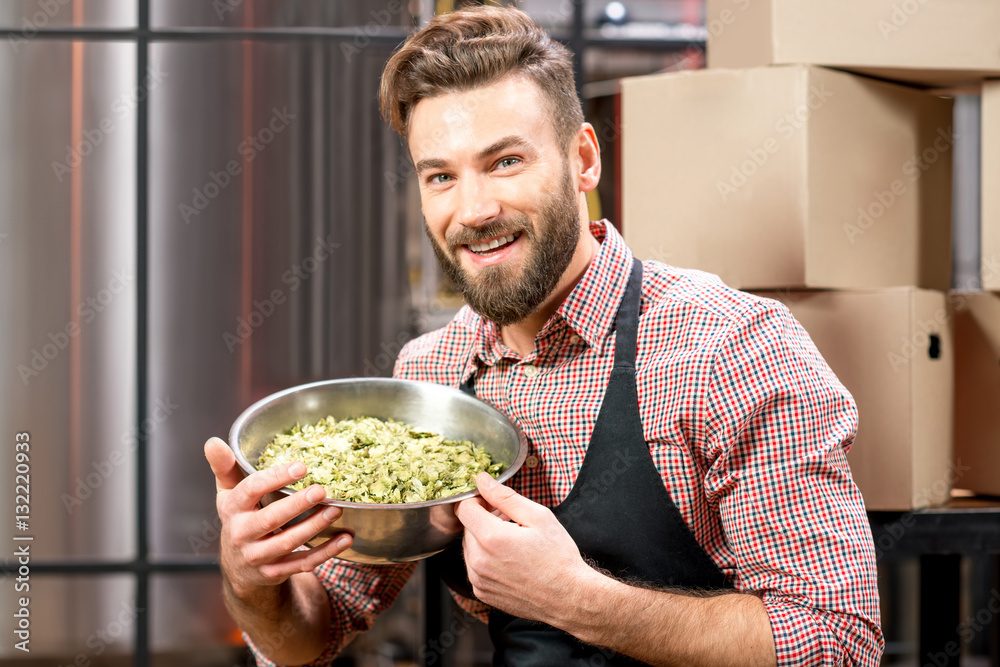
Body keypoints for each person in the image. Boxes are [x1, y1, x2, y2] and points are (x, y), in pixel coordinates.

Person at [204, 6, 883, 666]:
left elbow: (840, 643)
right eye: (441, 176)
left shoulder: (731, 347)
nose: (473, 210)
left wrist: (575, 598)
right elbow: (313, 635)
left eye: (504, 162)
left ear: (582, 160)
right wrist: (253, 579)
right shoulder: (432, 376)